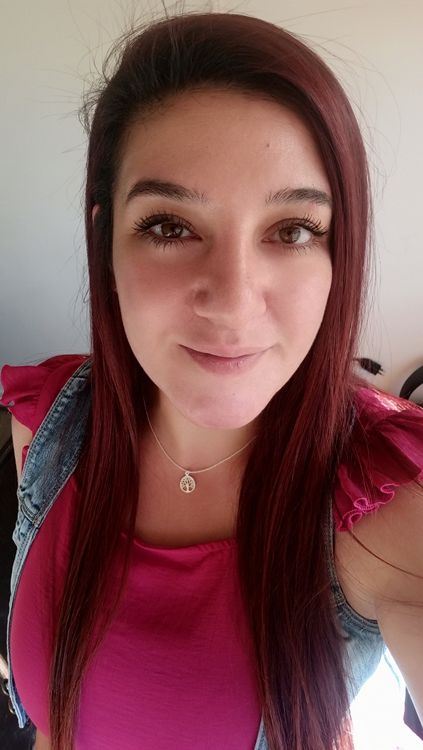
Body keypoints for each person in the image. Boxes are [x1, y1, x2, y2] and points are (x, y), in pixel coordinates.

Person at [1, 10, 422, 750]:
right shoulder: (47, 426)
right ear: (104, 240)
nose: (232, 302)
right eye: (170, 226)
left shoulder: (387, 506)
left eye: (292, 230)